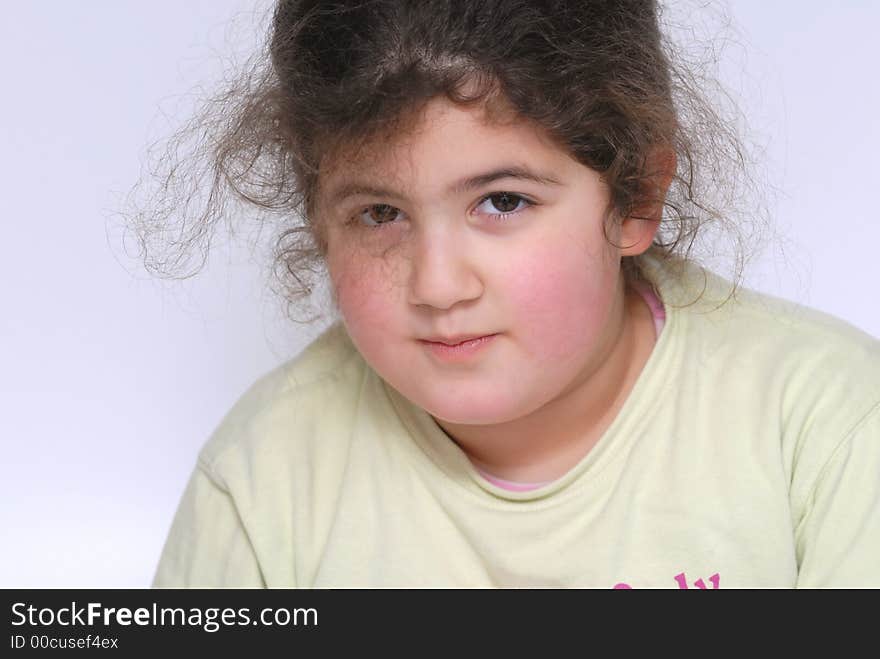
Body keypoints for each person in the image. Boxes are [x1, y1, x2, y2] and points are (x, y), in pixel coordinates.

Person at [142, 0, 880, 588]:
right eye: (380, 214)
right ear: (319, 221)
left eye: (501, 201)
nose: (438, 284)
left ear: (636, 196)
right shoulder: (263, 477)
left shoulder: (830, 426)